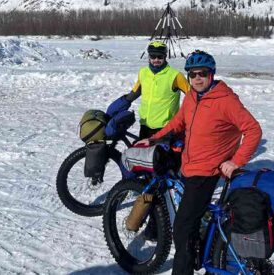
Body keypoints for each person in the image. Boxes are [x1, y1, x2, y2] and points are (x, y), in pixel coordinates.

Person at [136, 50, 262, 274]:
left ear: (211, 74)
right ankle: (200, 251)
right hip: (190, 165)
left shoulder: (226, 101)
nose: (197, 79)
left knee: (182, 227)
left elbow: (253, 130)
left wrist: (235, 162)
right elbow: (179, 121)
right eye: (192, 75)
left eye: (202, 73)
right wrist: (155, 138)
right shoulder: (193, 96)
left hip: (207, 172)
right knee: (192, 219)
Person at [106, 40, 190, 139]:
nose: (156, 60)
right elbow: (134, 93)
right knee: (143, 153)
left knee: (162, 154)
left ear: (165, 57)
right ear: (149, 57)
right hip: (145, 124)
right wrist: (113, 110)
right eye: (153, 56)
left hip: (166, 127)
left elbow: (192, 95)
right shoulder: (143, 73)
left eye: (160, 57)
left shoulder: (175, 76)